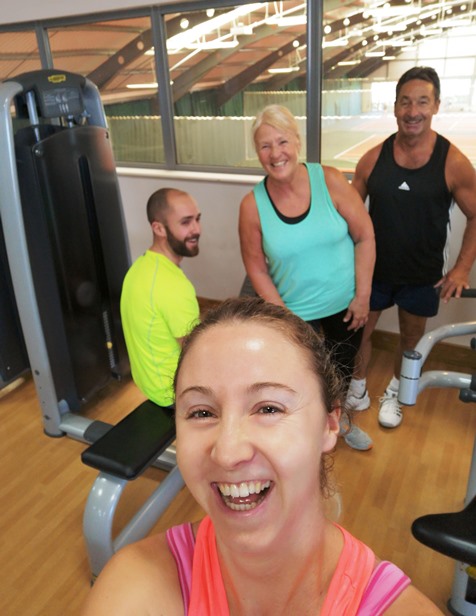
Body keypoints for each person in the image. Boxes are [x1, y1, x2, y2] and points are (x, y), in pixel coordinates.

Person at [81, 297, 442, 615]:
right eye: (202, 412)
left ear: (330, 424)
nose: (227, 452)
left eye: (268, 408)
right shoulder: (136, 584)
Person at [238, 104, 376, 451]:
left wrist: (363, 296)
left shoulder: (329, 180)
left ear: (296, 141)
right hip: (294, 314)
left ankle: (340, 423)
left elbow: (365, 236)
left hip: (345, 306)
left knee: (340, 372)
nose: (275, 153)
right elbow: (256, 267)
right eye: (265, 146)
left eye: (282, 141)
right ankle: (303, 438)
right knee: (299, 381)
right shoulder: (252, 206)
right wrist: (285, 316)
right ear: (257, 153)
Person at [348, 66, 476, 428]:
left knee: (411, 339)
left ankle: (395, 391)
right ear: (394, 108)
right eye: (405, 102)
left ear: (435, 106)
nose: (413, 110)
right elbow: (347, 214)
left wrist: (462, 269)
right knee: (359, 333)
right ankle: (356, 386)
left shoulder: (453, 163)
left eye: (422, 101)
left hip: (422, 273)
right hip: (372, 270)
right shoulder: (372, 159)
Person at [120, 187, 201, 407]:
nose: (196, 229)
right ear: (158, 228)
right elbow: (198, 354)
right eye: (185, 222)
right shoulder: (173, 286)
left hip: (150, 384)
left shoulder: (140, 267)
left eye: (197, 219)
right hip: (173, 393)